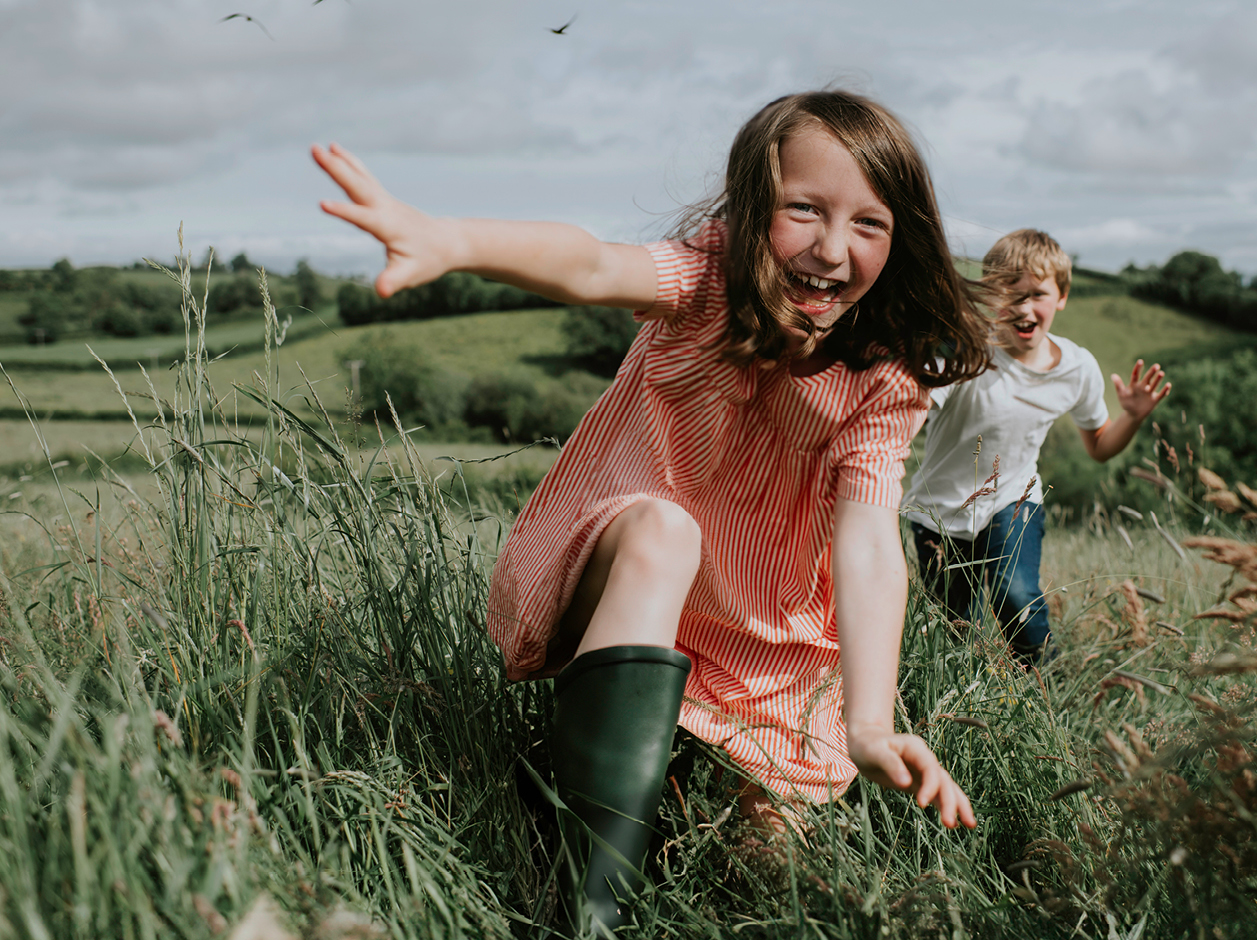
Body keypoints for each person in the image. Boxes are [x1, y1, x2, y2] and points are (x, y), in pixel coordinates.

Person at [313, 89, 986, 933]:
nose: (830, 249)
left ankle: (650, 780)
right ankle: (583, 907)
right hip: (627, 564)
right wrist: (454, 241)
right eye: (802, 210)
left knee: (769, 863)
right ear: (748, 212)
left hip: (763, 632)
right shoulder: (705, 282)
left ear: (903, 236)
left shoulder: (883, 377)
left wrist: (870, 721)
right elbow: (592, 263)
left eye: (868, 225)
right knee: (669, 530)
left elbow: (869, 542)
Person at [904, 229, 1171, 665]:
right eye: (1010, 294)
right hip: (939, 512)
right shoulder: (965, 352)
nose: (1025, 307)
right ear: (989, 296)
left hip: (1014, 498)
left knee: (1017, 597)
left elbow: (1101, 446)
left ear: (1061, 297)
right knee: (949, 632)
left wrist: (1134, 416)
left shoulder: (1077, 368)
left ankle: (1048, 684)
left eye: (1038, 294)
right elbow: (909, 411)